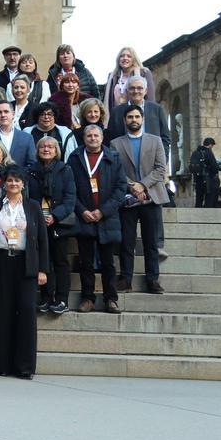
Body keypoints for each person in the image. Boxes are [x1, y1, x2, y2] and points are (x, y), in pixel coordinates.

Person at [0, 166, 49, 379]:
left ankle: (24, 366)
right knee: (1, 312)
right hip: (2, 262)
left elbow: (42, 241)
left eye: (17, 181)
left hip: (25, 263)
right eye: (9, 180)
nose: (13, 184)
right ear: (3, 184)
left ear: (23, 184)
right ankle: (0, 364)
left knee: (27, 311)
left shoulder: (32, 207)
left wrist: (43, 269)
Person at [110, 104, 170, 294]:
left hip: (151, 197)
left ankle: (153, 279)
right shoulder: (116, 143)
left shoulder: (156, 141)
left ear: (142, 119)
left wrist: (142, 185)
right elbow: (116, 171)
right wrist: (132, 186)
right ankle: (125, 278)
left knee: (150, 242)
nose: (133, 120)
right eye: (130, 117)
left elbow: (161, 169)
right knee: (126, 242)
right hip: (127, 199)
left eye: (137, 117)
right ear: (125, 120)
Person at [68, 125, 125, 314]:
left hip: (106, 218)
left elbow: (120, 188)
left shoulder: (114, 157)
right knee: (86, 262)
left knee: (108, 262)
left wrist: (103, 211)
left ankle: (111, 299)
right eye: (89, 135)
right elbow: (69, 189)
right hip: (83, 217)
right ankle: (87, 298)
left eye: (96, 135)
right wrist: (82, 210)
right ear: (84, 138)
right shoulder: (75, 158)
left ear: (102, 138)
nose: (92, 138)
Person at [27, 136, 77, 314]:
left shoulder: (65, 170)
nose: (46, 149)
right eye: (42, 147)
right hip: (36, 223)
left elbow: (70, 198)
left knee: (60, 261)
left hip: (58, 222)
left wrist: (54, 216)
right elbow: (26, 197)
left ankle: (62, 299)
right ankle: (46, 298)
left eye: (50, 147)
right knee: (43, 262)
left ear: (57, 151)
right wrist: (37, 218)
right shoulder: (30, 171)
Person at [105, 76, 171, 157]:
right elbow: (110, 139)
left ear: (146, 91)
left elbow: (165, 137)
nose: (136, 91)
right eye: (132, 88)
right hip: (123, 161)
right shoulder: (116, 112)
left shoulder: (157, 109)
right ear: (127, 90)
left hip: (152, 160)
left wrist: (163, 159)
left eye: (139, 88)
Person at [0, 100, 37, 169]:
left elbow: (32, 164)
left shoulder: (27, 138)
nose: (3, 115)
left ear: (13, 114)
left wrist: (19, 176)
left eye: (6, 111)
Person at [190, 137, 221, 208]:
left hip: (198, 179)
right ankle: (207, 216)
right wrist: (220, 168)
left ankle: (197, 215)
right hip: (208, 180)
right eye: (212, 146)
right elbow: (214, 165)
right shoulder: (208, 152)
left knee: (199, 199)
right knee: (209, 199)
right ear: (210, 145)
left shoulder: (195, 152)